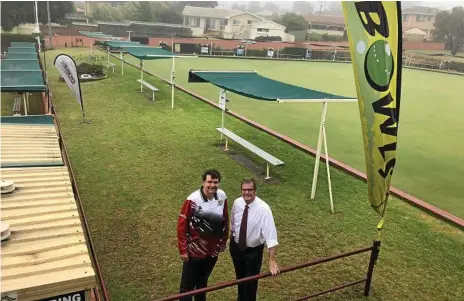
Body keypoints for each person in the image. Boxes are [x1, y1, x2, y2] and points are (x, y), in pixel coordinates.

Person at [177, 169, 229, 301]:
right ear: (203, 182)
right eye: (209, 182)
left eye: (215, 182)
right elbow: (182, 226)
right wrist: (183, 250)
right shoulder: (192, 199)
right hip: (194, 251)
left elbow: (225, 219)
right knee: (187, 287)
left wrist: (223, 241)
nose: (212, 185)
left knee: (202, 283)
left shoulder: (222, 196)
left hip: (212, 252)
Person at [229, 178, 279, 301]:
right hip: (236, 248)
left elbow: (271, 236)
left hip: (253, 252)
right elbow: (233, 223)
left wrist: (272, 260)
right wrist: (229, 239)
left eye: (250, 190)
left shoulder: (264, 209)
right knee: (240, 279)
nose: (247, 193)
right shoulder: (237, 203)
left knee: (250, 284)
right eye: (244, 190)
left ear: (255, 191)